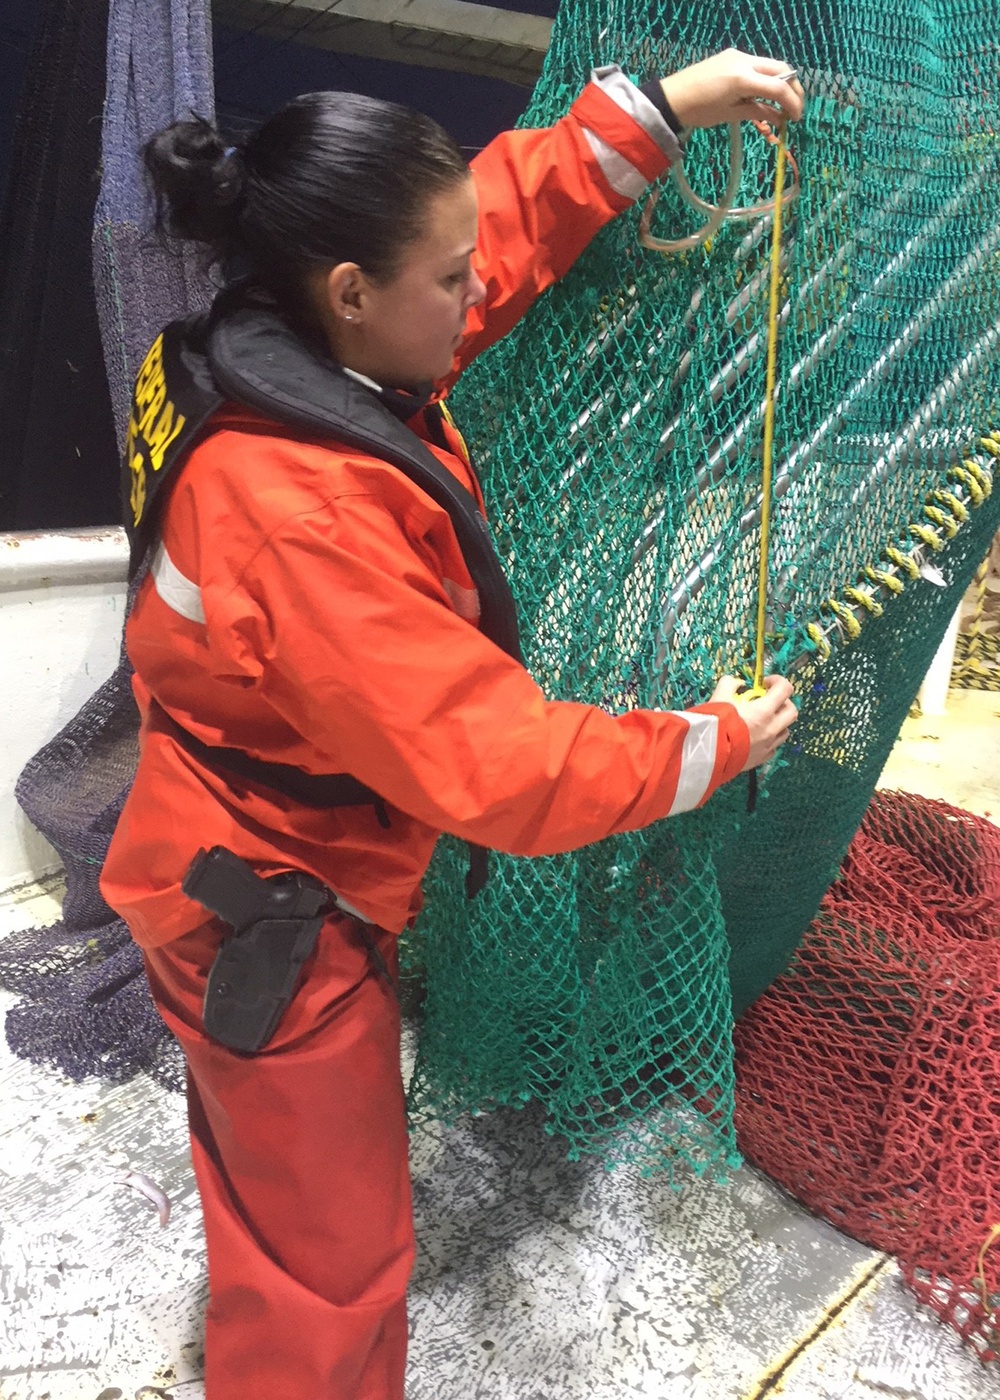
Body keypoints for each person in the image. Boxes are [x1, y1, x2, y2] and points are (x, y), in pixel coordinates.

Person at [101, 46, 803, 1400]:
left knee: (271, 1194)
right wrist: (707, 744)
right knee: (329, 1261)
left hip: (241, 846)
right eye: (447, 278)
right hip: (266, 913)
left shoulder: (280, 344)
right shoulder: (301, 514)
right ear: (352, 294)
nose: (477, 286)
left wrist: (664, 107)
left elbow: (498, 209)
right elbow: (503, 765)